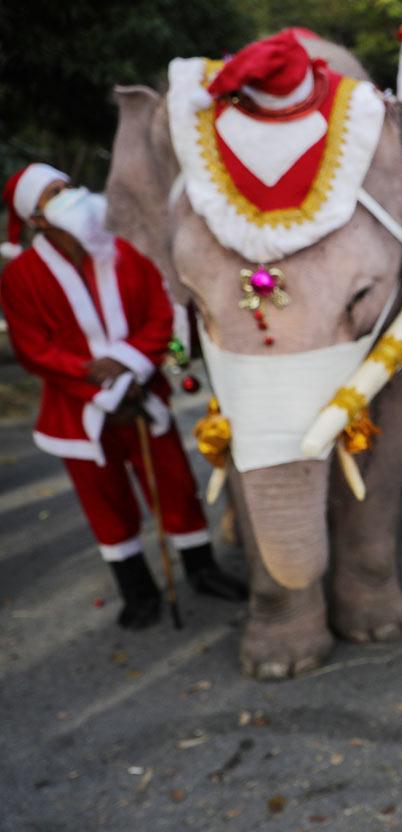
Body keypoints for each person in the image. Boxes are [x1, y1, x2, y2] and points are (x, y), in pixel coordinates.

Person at [1, 163, 246, 629]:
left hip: (143, 394)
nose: (71, 195)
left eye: (69, 186)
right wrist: (98, 382)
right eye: (54, 194)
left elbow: (158, 312)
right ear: (35, 218)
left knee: (175, 485)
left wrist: (131, 365)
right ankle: (137, 591)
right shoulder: (21, 277)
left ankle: (202, 571)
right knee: (105, 500)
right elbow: (34, 350)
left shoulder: (120, 252)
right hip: (79, 410)